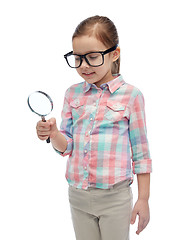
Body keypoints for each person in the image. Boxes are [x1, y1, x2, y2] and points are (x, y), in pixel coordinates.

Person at [36, 15, 152, 240]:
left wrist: (143, 199)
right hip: (78, 196)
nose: (84, 66)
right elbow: (66, 146)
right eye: (77, 58)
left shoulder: (132, 96)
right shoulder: (72, 94)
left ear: (114, 54)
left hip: (115, 198)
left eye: (92, 57)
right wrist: (54, 133)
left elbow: (141, 153)